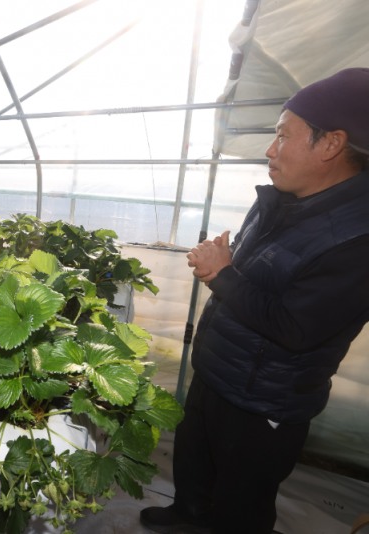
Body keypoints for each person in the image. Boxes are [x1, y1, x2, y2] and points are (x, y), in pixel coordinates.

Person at [141, 67, 369, 534]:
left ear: (330, 144)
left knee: (241, 506)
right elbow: (256, 280)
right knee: (193, 464)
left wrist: (222, 273)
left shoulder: (357, 239)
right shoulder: (281, 200)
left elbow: (295, 327)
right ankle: (185, 516)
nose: (270, 149)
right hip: (221, 373)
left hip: (264, 401)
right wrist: (222, 264)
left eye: (284, 136)